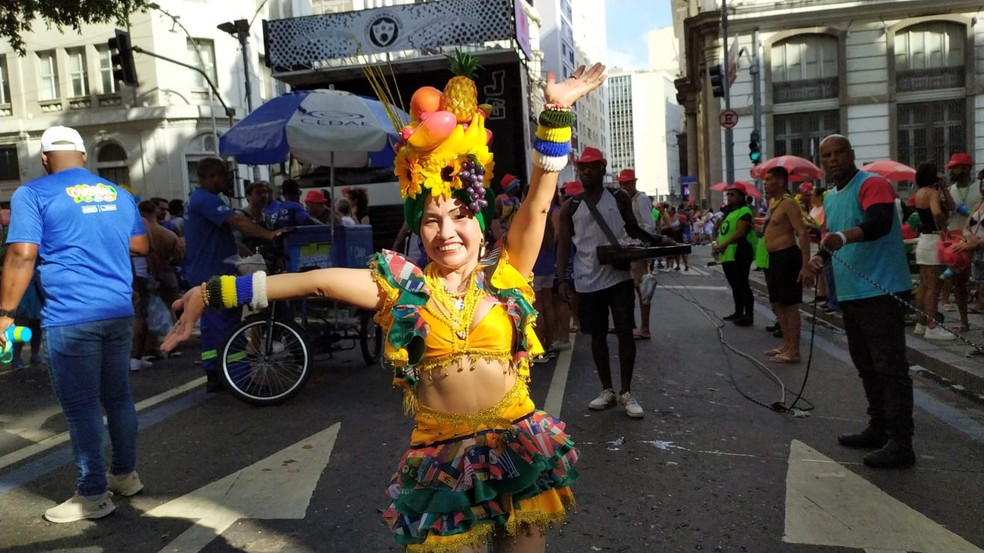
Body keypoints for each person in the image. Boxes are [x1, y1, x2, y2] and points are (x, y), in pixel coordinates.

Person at [162, 62, 607, 553]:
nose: (446, 233)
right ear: (419, 229)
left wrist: (557, 110)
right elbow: (318, 282)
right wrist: (213, 292)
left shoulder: (509, 273)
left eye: (459, 217)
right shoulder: (402, 289)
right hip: (441, 457)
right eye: (432, 221)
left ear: (481, 222)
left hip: (515, 443)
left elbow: (541, 198)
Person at [0, 126, 149, 522]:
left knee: (82, 407)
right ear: (84, 156)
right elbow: (140, 244)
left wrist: (4, 313)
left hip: (72, 315)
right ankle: (125, 475)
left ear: (45, 159)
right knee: (118, 398)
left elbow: (22, 255)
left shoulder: (32, 193)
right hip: (118, 311)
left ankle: (93, 494)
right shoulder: (119, 193)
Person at [809, 134, 915, 469]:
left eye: (839, 153)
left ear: (852, 154)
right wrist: (819, 259)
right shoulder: (830, 197)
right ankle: (879, 428)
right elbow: (831, 238)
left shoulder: (873, 184)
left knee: (891, 369)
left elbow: (879, 223)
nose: (833, 159)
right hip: (851, 293)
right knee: (866, 366)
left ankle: (901, 443)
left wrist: (843, 237)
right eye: (826, 155)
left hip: (881, 290)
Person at [556, 147, 675, 419]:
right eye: (582, 167)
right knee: (596, 337)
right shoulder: (571, 206)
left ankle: (626, 392)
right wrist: (563, 279)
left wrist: (658, 240)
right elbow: (563, 244)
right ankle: (607, 389)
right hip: (586, 281)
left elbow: (633, 229)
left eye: (591, 166)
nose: (585, 171)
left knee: (624, 332)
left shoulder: (619, 197)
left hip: (618, 277)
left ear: (602, 167)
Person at [183, 158, 284, 392]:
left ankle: (214, 373)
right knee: (228, 327)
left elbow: (220, 237)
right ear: (211, 177)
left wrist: (247, 254)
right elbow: (237, 221)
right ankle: (240, 380)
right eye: (224, 175)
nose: (228, 179)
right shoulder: (206, 200)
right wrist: (269, 236)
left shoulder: (198, 200)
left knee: (211, 328)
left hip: (205, 271)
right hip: (215, 274)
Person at [760, 167, 814, 363]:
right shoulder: (773, 204)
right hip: (773, 258)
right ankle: (786, 344)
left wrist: (805, 265)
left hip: (787, 257)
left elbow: (802, 232)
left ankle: (794, 350)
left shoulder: (789, 203)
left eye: (769, 179)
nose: (765, 183)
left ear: (781, 182)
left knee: (788, 304)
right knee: (776, 303)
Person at [911, 163, 955, 340]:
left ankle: (921, 322)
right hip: (934, 240)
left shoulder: (920, 192)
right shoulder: (933, 193)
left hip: (924, 240)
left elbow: (951, 205)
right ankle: (932, 325)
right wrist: (944, 228)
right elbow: (937, 212)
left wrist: (944, 189)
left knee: (923, 284)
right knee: (933, 286)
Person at [616, 168, 656, 339]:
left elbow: (649, 225)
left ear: (633, 183)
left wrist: (635, 239)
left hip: (638, 250)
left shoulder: (641, 199)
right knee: (628, 289)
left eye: (627, 183)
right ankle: (631, 325)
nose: (624, 186)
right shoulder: (625, 200)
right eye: (622, 183)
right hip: (628, 249)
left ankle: (644, 327)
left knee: (642, 289)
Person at [943, 153, 981, 331]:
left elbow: (975, 215)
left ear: (966, 169)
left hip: (978, 241)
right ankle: (963, 320)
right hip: (957, 241)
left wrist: (962, 209)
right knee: (959, 282)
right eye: (950, 168)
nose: (951, 171)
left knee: (979, 281)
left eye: (955, 167)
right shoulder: (949, 190)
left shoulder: (978, 189)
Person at [712, 186, 756, 326]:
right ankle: (738, 312)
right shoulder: (729, 213)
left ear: (741, 197)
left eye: (732, 194)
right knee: (735, 284)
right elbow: (724, 232)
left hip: (741, 251)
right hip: (728, 254)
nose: (729, 197)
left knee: (742, 284)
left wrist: (723, 245)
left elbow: (740, 232)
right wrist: (718, 245)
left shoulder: (744, 211)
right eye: (728, 194)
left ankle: (748, 315)